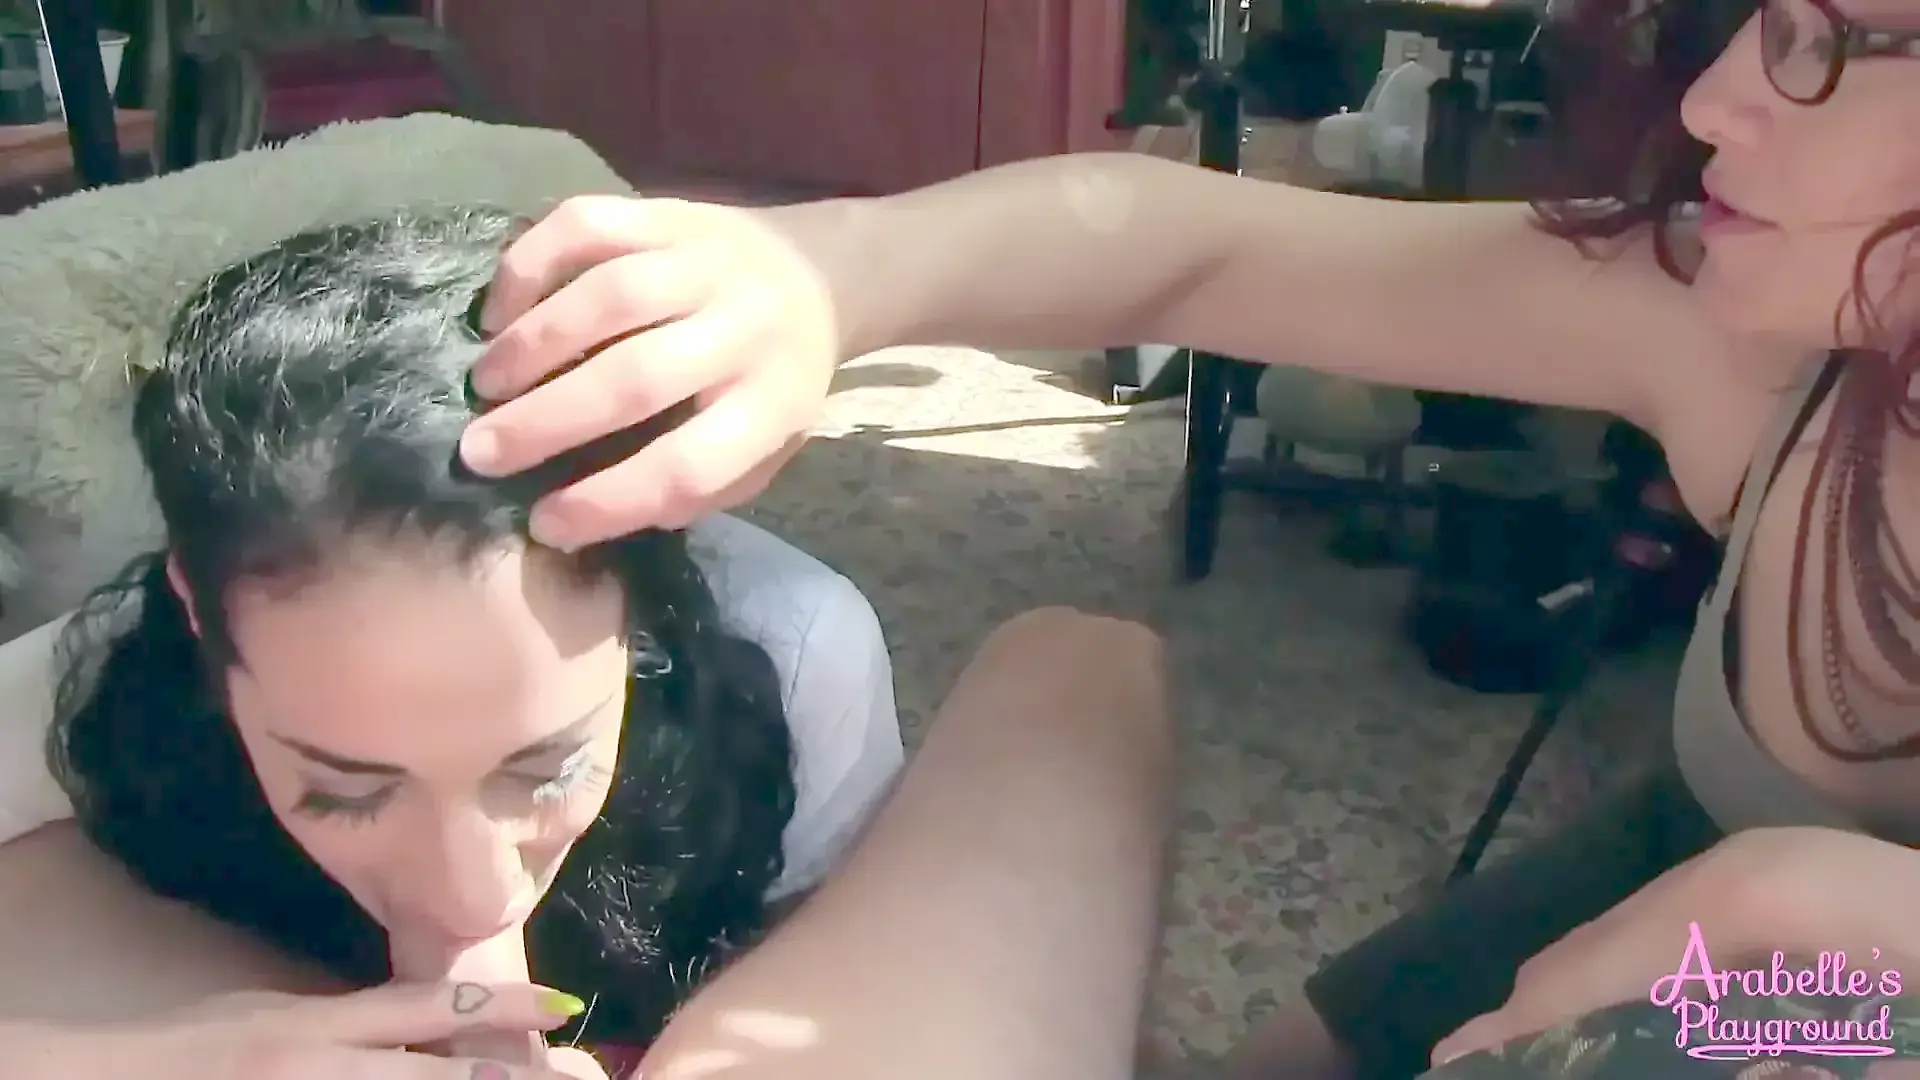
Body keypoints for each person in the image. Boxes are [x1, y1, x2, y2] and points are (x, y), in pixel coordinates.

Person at [441, 0, 1919, 1075]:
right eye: (1757, 18)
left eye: (1834, 44)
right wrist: (831, 268)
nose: (1718, 100)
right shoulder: (1760, 354)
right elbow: (1200, 248)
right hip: (1681, 859)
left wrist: (1826, 913)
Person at [0, 206, 1175, 1080]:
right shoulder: (78, 692)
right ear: (199, 617)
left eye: (546, 766)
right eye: (345, 789)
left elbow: (857, 965)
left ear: (639, 619)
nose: (471, 889)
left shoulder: (791, 652)